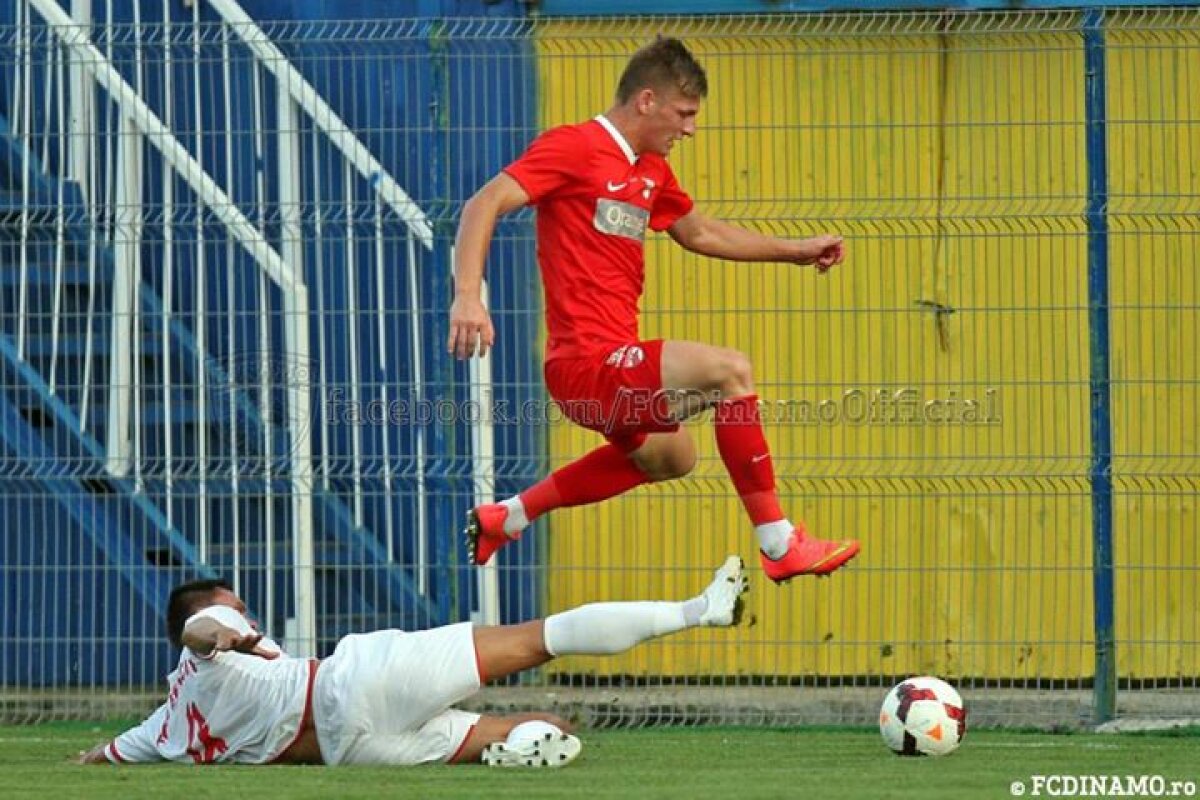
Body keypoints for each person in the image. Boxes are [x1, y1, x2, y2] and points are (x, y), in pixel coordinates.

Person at [448, 37, 860, 583]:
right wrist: (468, 296)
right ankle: (779, 543)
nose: (690, 129)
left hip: (609, 374)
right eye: (684, 113)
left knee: (673, 458)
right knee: (730, 370)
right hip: (585, 366)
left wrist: (796, 251)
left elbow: (700, 231)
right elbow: (485, 202)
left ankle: (511, 515)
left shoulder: (651, 172)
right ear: (646, 101)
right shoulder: (574, 147)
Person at [78, 558, 747, 767]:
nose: (242, 611)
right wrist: (216, 634)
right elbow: (200, 629)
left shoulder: (161, 731)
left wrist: (89, 759)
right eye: (235, 606)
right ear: (219, 608)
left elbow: (109, 754)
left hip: (358, 751)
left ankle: (516, 745)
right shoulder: (213, 638)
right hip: (358, 681)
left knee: (551, 725)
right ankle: (699, 611)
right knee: (539, 637)